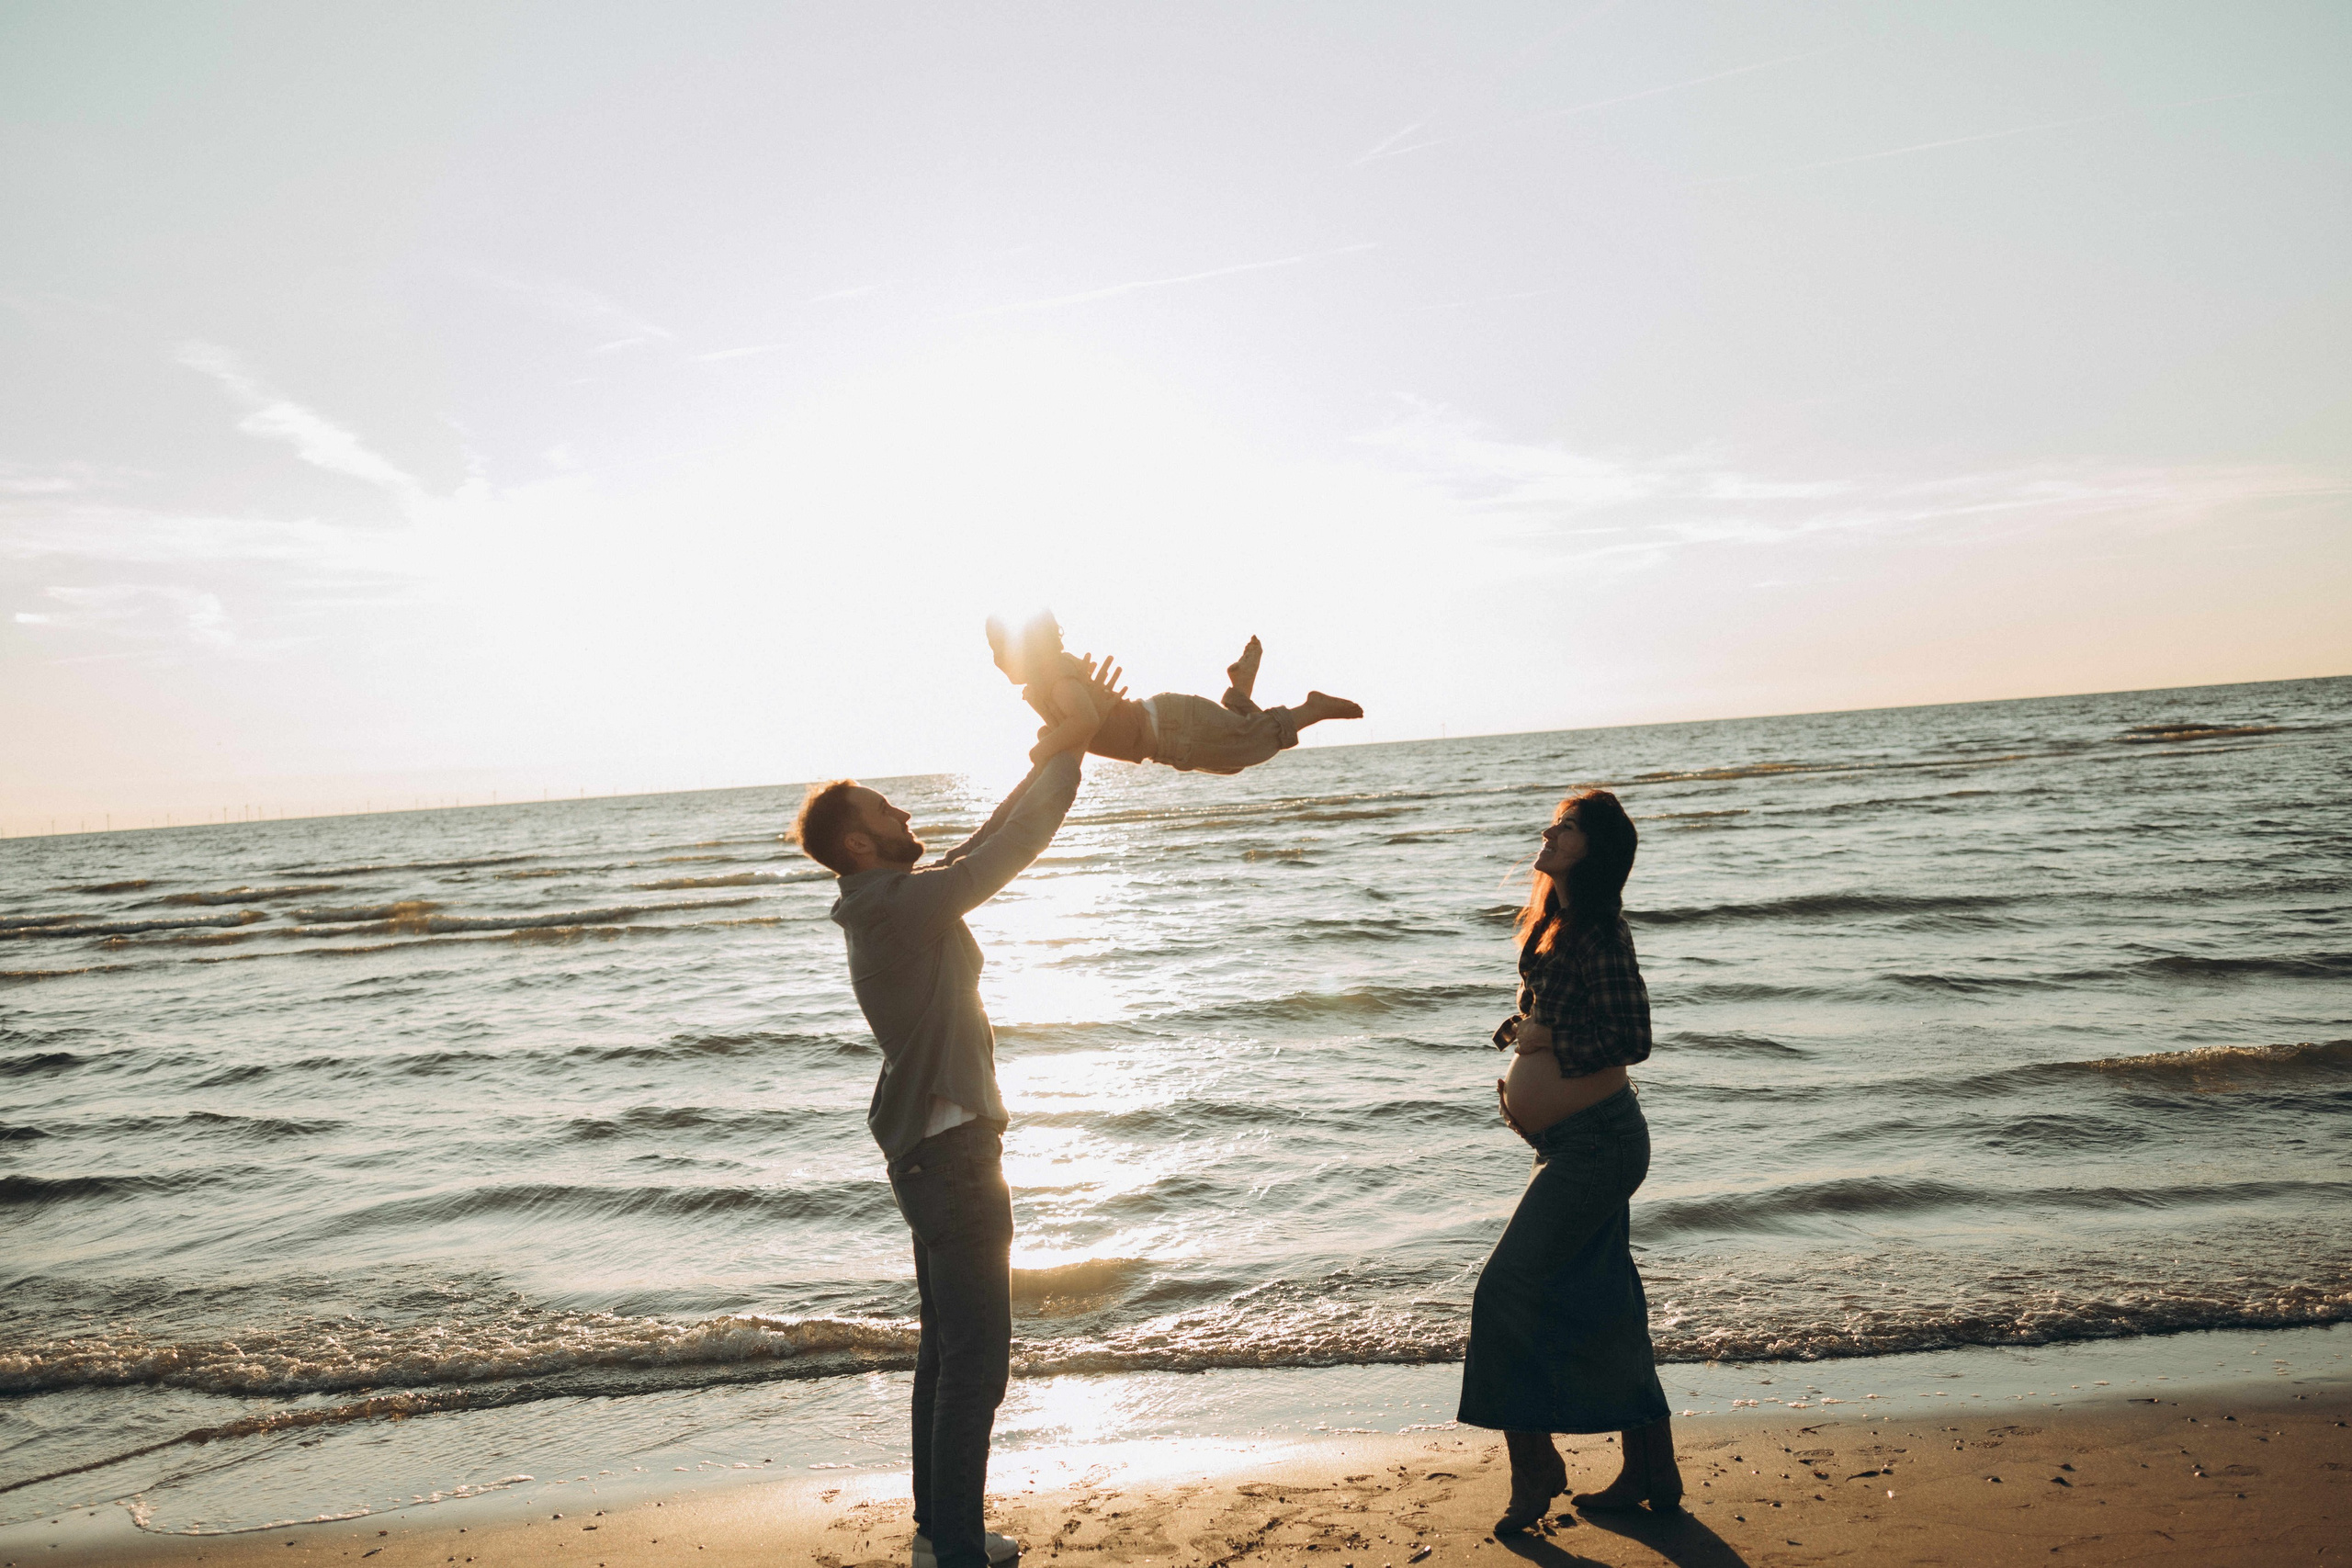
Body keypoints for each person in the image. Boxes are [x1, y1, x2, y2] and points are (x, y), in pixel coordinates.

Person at [792, 656, 1122, 1568]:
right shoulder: (894, 909)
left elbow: (985, 840)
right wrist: (1075, 741)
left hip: (932, 1157)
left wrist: (1060, 747)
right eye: (885, 813)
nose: (905, 816)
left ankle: (943, 1534)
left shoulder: (890, 902)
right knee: (974, 1366)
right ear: (858, 845)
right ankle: (959, 1552)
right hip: (952, 1160)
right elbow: (1010, 851)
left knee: (944, 1359)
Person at [1456, 789, 1681, 1530]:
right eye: (1555, 822)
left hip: (1601, 1143)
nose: (1550, 833)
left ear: (1596, 848)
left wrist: (1547, 1048)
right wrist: (1524, 1033)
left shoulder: (1600, 933)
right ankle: (1653, 1466)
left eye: (1568, 826)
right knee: (1606, 1304)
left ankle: (1535, 1465)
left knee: (1504, 1289)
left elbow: (1630, 1035)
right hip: (1572, 1144)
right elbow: (1558, 1016)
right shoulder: (1555, 927)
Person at [986, 611, 1362, 776]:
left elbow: (1083, 720)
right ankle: (1239, 689)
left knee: (1256, 744)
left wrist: (1040, 749)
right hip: (1168, 736)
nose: (995, 661)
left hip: (1172, 726)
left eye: (998, 650)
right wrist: (1050, 736)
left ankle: (1312, 709)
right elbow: (1077, 725)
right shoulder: (1046, 685)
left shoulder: (1056, 678)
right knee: (1234, 762)